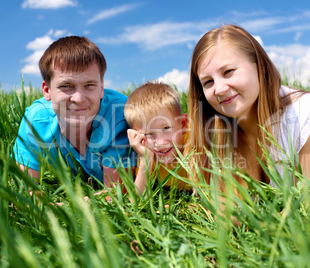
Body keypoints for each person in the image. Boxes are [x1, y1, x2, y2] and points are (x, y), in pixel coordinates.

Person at [185, 24, 310, 192]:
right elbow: (223, 210)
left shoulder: (304, 112)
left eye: (228, 71)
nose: (219, 89)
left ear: (261, 66)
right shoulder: (215, 134)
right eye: (208, 82)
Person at [13, 36, 135, 188]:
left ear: (101, 88)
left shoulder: (119, 114)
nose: (78, 98)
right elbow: (24, 192)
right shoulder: (36, 121)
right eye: (66, 86)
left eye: (89, 85)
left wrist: (60, 208)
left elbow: (117, 193)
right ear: (47, 90)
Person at [124, 81, 189, 194]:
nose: (159, 143)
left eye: (166, 128)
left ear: (183, 124)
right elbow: (137, 198)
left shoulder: (196, 143)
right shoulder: (148, 154)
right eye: (148, 134)